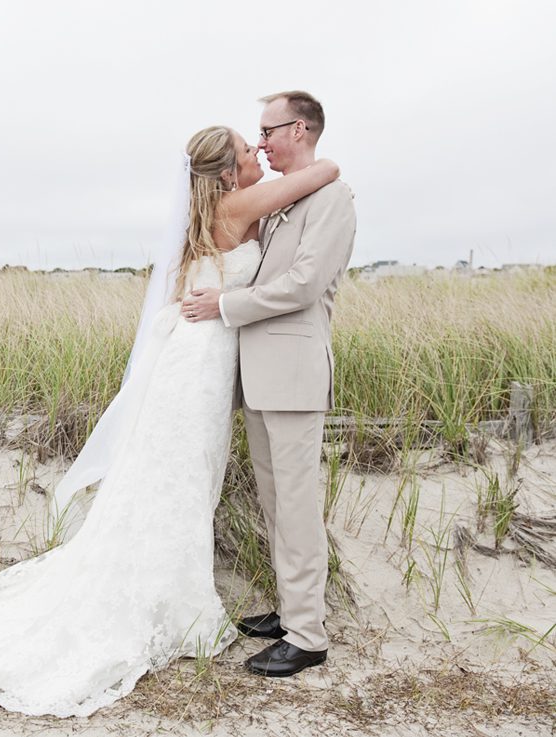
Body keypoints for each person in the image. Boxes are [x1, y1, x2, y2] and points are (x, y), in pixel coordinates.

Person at [0, 123, 340, 717]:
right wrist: (299, 152)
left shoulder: (224, 207)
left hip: (203, 360)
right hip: (199, 365)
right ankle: (169, 605)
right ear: (227, 174)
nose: (258, 148)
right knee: (180, 482)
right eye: (246, 146)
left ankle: (176, 595)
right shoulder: (238, 203)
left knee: (181, 482)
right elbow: (327, 171)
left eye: (262, 137)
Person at [181, 90, 357, 678]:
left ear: (300, 129)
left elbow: (305, 284)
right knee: (276, 504)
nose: (260, 142)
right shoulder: (280, 202)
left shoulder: (331, 197)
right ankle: (289, 611)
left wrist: (227, 303)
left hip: (294, 377)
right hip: (258, 379)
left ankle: (308, 634)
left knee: (298, 508)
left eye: (268, 130)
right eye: (255, 134)